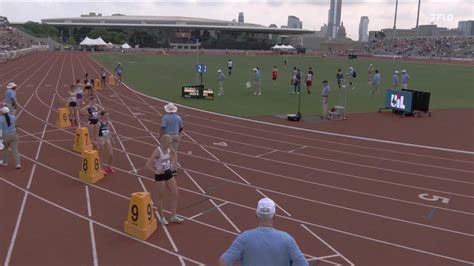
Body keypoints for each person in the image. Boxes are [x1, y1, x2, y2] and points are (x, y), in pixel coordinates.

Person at [219, 198, 307, 266]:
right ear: (274, 215)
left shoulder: (244, 238)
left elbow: (223, 262)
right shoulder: (287, 239)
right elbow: (303, 264)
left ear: (256, 214)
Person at [145, 134, 184, 225]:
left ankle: (173, 216)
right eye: (169, 142)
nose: (171, 144)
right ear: (164, 142)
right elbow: (147, 165)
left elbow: (174, 154)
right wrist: (156, 172)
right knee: (161, 197)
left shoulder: (169, 149)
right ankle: (162, 217)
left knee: (175, 194)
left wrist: (172, 166)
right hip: (160, 175)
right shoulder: (157, 151)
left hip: (168, 172)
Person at [160, 103, 183, 176]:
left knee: (165, 152)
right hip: (176, 136)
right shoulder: (178, 117)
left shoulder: (165, 117)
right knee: (174, 153)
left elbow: (163, 127)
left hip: (168, 136)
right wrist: (178, 133)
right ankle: (174, 170)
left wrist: (161, 136)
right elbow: (181, 127)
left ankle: (166, 169)